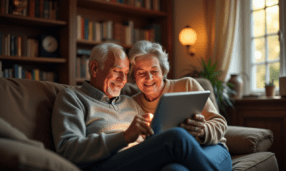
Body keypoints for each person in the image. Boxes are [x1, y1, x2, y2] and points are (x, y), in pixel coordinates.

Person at [52, 42, 231, 171]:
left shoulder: (128, 102)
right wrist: (123, 137)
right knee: (176, 137)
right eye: (116, 72)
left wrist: (201, 130)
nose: (122, 81)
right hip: (106, 163)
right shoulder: (72, 97)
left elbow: (151, 140)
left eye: (125, 74)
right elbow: (68, 149)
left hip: (150, 159)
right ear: (94, 68)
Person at [128, 40, 232, 170]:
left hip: (210, 148)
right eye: (141, 73)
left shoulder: (187, 85)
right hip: (172, 157)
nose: (148, 78)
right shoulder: (131, 104)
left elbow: (220, 123)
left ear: (163, 71)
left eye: (154, 71)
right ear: (133, 76)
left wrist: (202, 130)